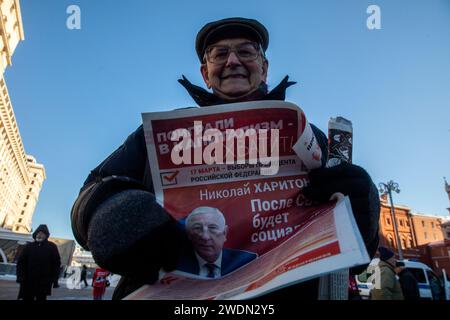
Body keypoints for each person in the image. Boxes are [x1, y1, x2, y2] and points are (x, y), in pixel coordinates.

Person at [71, 17, 380, 300]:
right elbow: (93, 190)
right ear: (206, 74)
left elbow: (349, 259)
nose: (233, 61)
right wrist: (114, 216)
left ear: (265, 67)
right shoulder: (160, 133)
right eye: (219, 54)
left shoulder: (308, 136)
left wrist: (363, 217)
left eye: (246, 52)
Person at [176, 207, 257, 278]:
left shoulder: (246, 261)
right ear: (189, 234)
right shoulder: (176, 266)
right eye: (197, 228)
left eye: (212, 228)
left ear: (224, 233)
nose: (205, 237)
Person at [16, 224, 61, 301]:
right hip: (28, 281)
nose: (40, 235)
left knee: (41, 298)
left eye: (42, 233)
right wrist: (20, 276)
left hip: (43, 282)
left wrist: (55, 279)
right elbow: (21, 263)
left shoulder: (52, 247)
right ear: (35, 234)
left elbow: (56, 264)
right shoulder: (29, 246)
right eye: (38, 233)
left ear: (46, 235)